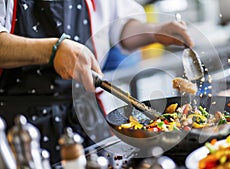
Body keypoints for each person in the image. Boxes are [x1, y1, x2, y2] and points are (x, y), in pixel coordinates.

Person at [0, 0, 193, 164]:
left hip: (88, 119)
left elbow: (119, 24)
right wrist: (53, 49)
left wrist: (156, 32)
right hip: (22, 135)